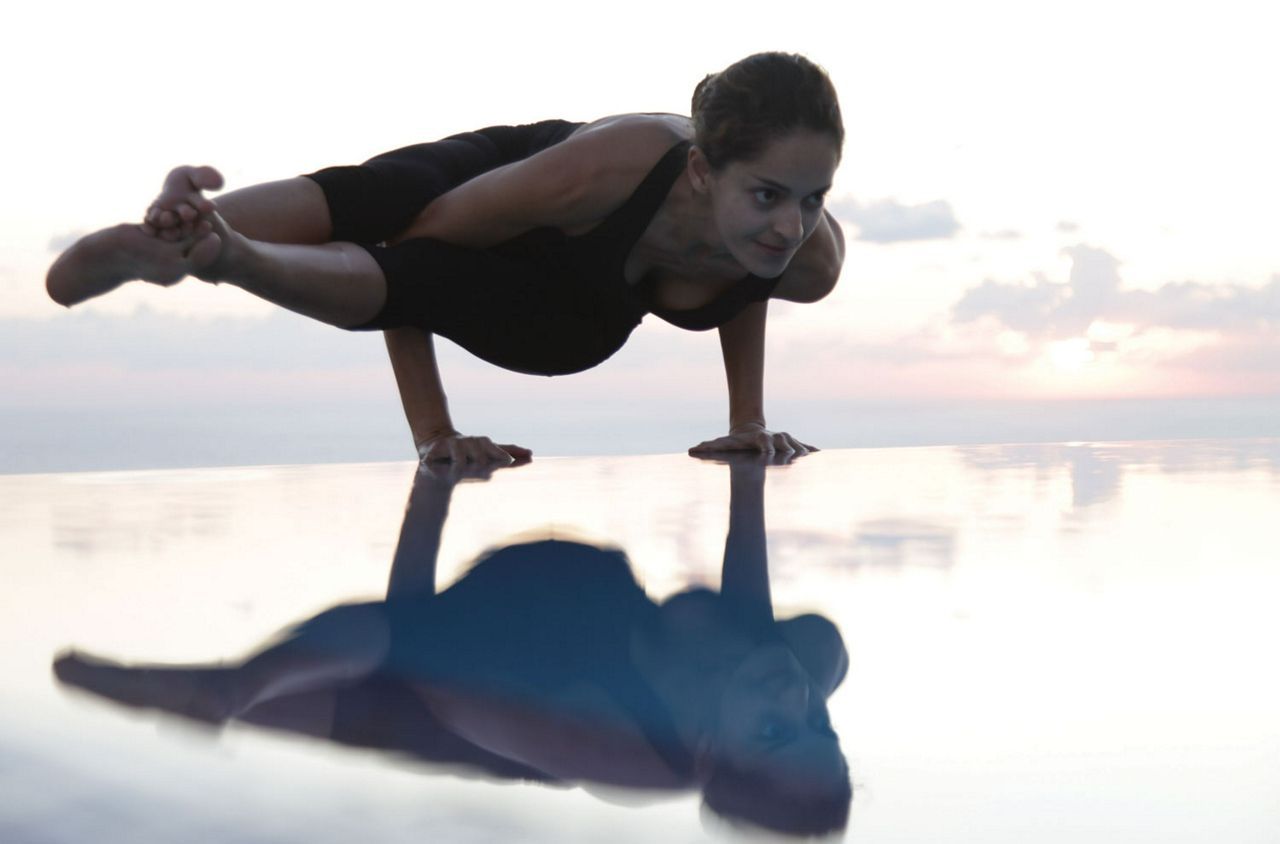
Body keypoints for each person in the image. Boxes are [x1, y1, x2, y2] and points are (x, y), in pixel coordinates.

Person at [45, 53, 845, 465]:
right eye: (768, 195)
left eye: (813, 198)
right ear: (703, 170)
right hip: (505, 179)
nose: (791, 225)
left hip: (572, 289)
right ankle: (169, 240)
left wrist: (748, 422)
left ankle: (219, 249)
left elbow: (744, 283)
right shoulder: (610, 166)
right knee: (380, 199)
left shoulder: (805, 254)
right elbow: (419, 249)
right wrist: (435, 432)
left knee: (565, 329)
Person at [54, 455, 852, 836]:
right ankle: (225, 692)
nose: (795, 701)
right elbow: (751, 587)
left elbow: (422, 661)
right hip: (568, 621)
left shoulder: (623, 753)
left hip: (474, 718)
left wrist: (428, 500)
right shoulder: (806, 658)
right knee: (377, 646)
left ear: (710, 749)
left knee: (357, 676)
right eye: (819, 723)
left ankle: (217, 694)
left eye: (773, 731)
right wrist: (750, 467)